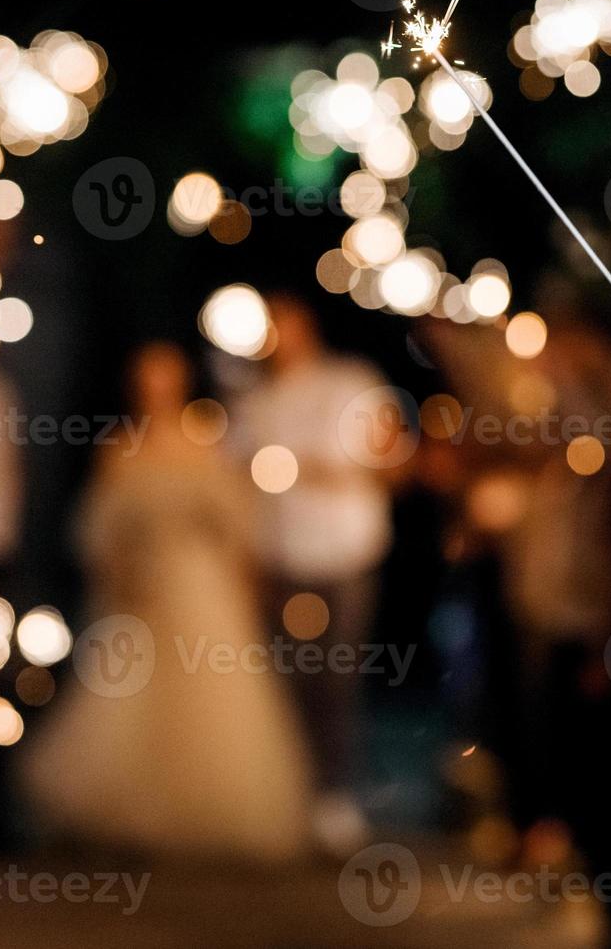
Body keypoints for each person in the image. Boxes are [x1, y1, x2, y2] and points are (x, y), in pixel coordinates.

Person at [21, 342, 313, 862]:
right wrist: (124, 570)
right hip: (141, 587)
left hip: (201, 586)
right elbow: (98, 528)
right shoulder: (120, 447)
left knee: (209, 692)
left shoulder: (206, 441)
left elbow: (237, 522)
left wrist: (238, 574)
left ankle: (212, 808)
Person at [232, 293, 397, 851]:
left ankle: (337, 797)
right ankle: (292, 797)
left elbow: (387, 456)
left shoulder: (349, 382)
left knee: (336, 678)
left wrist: (311, 469)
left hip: (344, 552)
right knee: (285, 680)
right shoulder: (254, 401)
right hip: (279, 559)